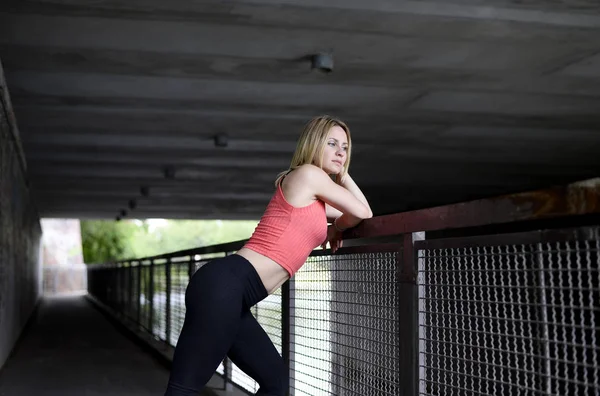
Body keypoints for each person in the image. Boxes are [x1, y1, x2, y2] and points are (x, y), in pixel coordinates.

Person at [164, 115, 373, 396]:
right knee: (184, 389)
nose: (340, 152)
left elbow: (355, 214)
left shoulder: (317, 197)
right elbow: (363, 212)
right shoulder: (309, 175)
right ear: (313, 144)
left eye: (345, 148)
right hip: (224, 287)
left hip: (233, 294)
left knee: (276, 382)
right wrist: (342, 182)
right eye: (332, 143)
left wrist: (335, 223)